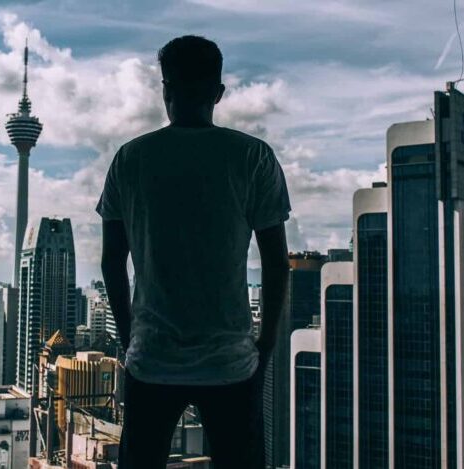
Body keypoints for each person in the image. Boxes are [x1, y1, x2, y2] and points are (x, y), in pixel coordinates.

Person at [96, 35, 291, 469]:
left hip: (151, 359)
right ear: (218, 93)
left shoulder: (130, 158)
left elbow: (112, 260)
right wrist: (265, 346)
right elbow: (277, 263)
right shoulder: (252, 156)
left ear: (165, 88)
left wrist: (130, 341)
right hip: (231, 362)